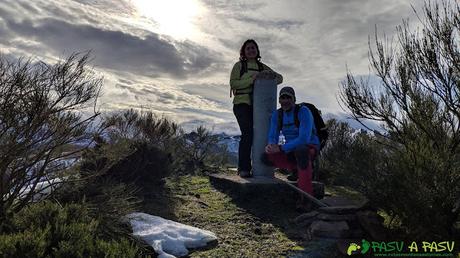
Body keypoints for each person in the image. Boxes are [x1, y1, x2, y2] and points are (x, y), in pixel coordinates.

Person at [230, 39, 283, 178]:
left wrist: (265, 76)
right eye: (248, 48)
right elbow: (233, 83)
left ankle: (261, 167)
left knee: (261, 136)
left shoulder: (262, 67)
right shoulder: (239, 66)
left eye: (253, 48)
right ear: (243, 51)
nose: (251, 50)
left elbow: (279, 78)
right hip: (241, 104)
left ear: (257, 51)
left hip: (258, 106)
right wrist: (251, 79)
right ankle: (244, 168)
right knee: (247, 134)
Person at [262, 86, 320, 209]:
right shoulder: (277, 115)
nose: (285, 101)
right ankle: (297, 169)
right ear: (279, 100)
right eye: (282, 98)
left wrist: (281, 148)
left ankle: (306, 198)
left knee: (301, 152)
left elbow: (304, 139)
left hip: (309, 146)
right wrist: (271, 146)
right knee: (266, 157)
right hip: (291, 149)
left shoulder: (303, 111)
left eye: (288, 97)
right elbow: (273, 134)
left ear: (294, 99)